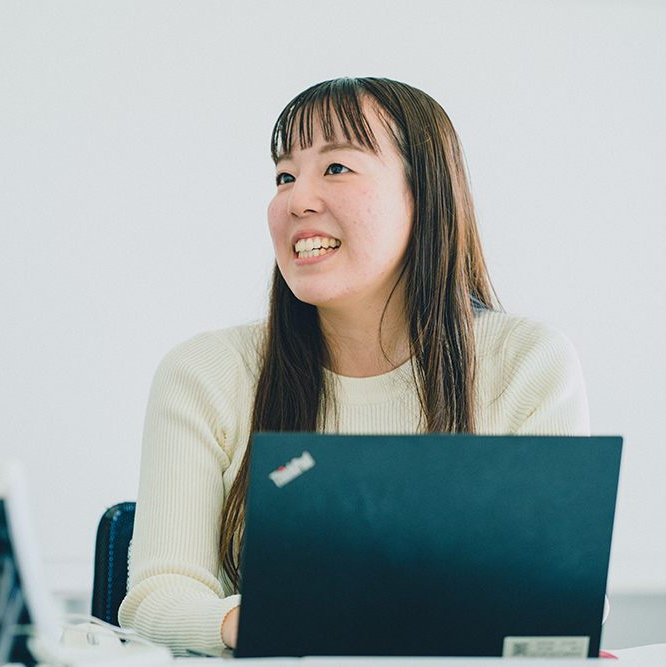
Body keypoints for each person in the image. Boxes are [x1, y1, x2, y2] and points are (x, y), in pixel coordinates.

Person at [117, 77, 589, 655]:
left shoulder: (527, 361)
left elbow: (561, 601)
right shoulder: (205, 373)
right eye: (284, 176)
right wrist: (284, 622)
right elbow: (157, 599)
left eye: (336, 168)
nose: (297, 200)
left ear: (426, 195)